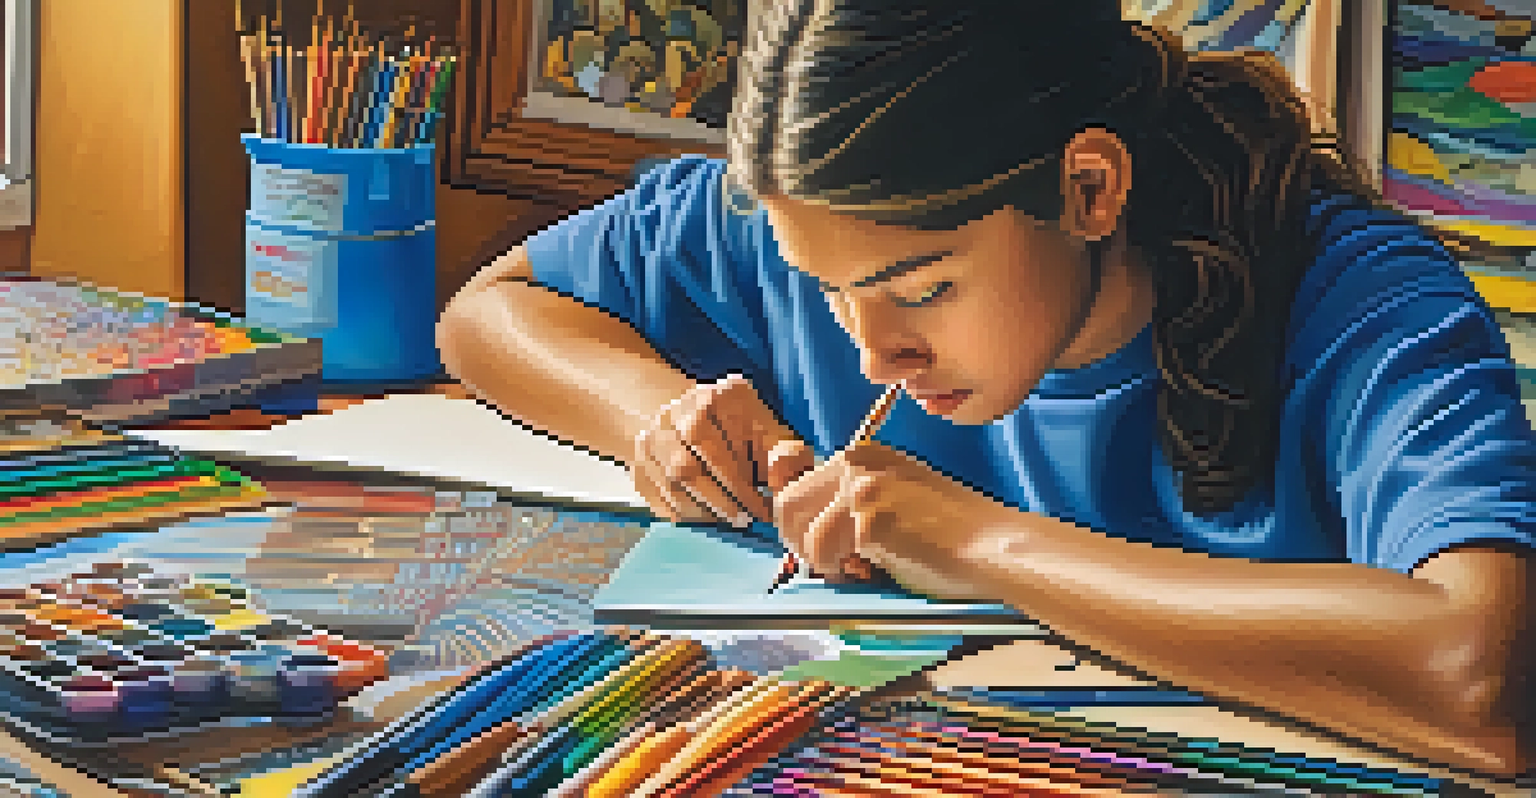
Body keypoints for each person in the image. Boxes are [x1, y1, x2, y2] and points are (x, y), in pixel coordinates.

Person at [438, 0, 1535, 775]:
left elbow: (1476, 673)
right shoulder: (826, 224)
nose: (871, 354)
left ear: (1089, 186)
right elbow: (489, 311)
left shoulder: (1359, 301)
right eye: (826, 292)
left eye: (925, 287)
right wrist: (654, 418)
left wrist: (981, 546)